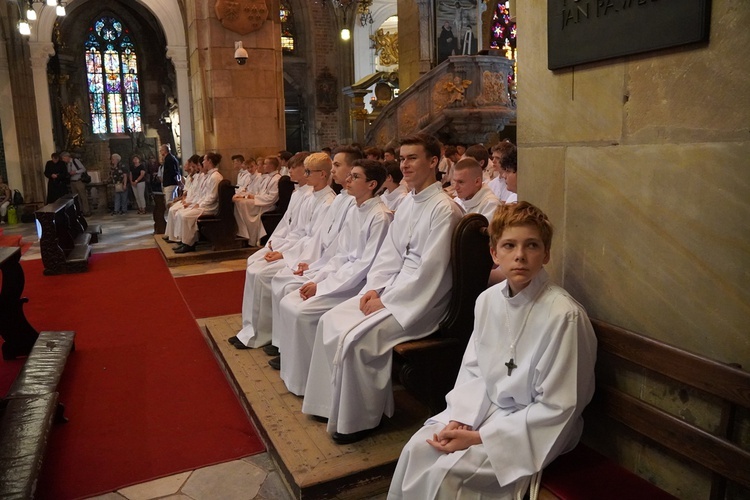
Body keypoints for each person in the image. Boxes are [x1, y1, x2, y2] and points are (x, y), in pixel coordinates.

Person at [388, 202, 597, 499]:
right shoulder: (487, 301)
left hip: (531, 430)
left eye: (532, 245)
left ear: (547, 254)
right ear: (494, 254)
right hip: (485, 409)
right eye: (509, 245)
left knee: (447, 475)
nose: (520, 256)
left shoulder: (564, 316)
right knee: (416, 449)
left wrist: (478, 438)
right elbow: (475, 368)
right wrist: (462, 416)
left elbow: (561, 406)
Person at [301, 133, 463, 444]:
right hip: (395, 290)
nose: (405, 164)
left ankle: (360, 421)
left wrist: (390, 302)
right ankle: (327, 405)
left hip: (422, 302)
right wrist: (375, 289)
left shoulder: (445, 209)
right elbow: (390, 255)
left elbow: (433, 271)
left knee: (356, 342)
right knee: (330, 320)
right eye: (402, 158)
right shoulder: (409, 203)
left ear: (433, 161)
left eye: (413, 157)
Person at [272, 160, 392, 393]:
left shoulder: (380, 216)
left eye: (355, 177)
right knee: (289, 301)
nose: (347, 180)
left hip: (356, 285)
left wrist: (324, 287)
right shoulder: (356, 210)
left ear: (372, 184)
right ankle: (298, 375)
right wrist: (317, 279)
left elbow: (365, 267)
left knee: (303, 312)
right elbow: (339, 255)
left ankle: (310, 382)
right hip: (340, 277)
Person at [231, 152, 335, 349]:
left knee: (263, 274)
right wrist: (274, 244)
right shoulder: (307, 195)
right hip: (292, 246)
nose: (302, 174)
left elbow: (313, 238)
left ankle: (265, 334)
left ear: (321, 174)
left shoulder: (327, 201)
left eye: (307, 170)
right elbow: (289, 225)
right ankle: (250, 329)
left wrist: (284, 253)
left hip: (305, 254)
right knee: (254, 263)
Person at [172, 152, 224, 253]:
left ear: (209, 161)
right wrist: (195, 203)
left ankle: (189, 244)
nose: (203, 162)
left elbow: (212, 197)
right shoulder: (210, 175)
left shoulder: (215, 177)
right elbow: (203, 194)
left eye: (204, 160)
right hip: (204, 204)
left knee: (185, 216)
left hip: (210, 207)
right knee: (182, 213)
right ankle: (185, 242)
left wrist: (199, 205)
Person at [233, 156, 281, 246]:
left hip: (267, 205)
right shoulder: (267, 177)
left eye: (265, 164)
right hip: (261, 202)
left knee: (243, 205)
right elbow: (259, 192)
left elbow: (271, 198)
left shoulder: (276, 179)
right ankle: (244, 233)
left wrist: (254, 197)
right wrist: (251, 196)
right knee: (239, 203)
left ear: (271, 166)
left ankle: (251, 236)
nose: (263, 166)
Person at [164, 155, 204, 244]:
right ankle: (174, 236)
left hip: (197, 202)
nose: (192, 168)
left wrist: (190, 202)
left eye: (194, 166)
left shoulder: (201, 177)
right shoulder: (195, 177)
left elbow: (200, 194)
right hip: (191, 201)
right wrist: (184, 199)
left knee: (179, 213)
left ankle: (185, 240)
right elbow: (189, 192)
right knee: (173, 210)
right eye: (192, 166)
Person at [63, 151, 91, 215]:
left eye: (64, 158)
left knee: (83, 197)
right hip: (72, 182)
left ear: (67, 157)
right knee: (76, 198)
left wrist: (76, 172)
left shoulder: (75, 161)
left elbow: (83, 169)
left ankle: (86, 211)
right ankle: (79, 211)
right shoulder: (67, 164)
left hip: (78, 181)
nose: (64, 160)